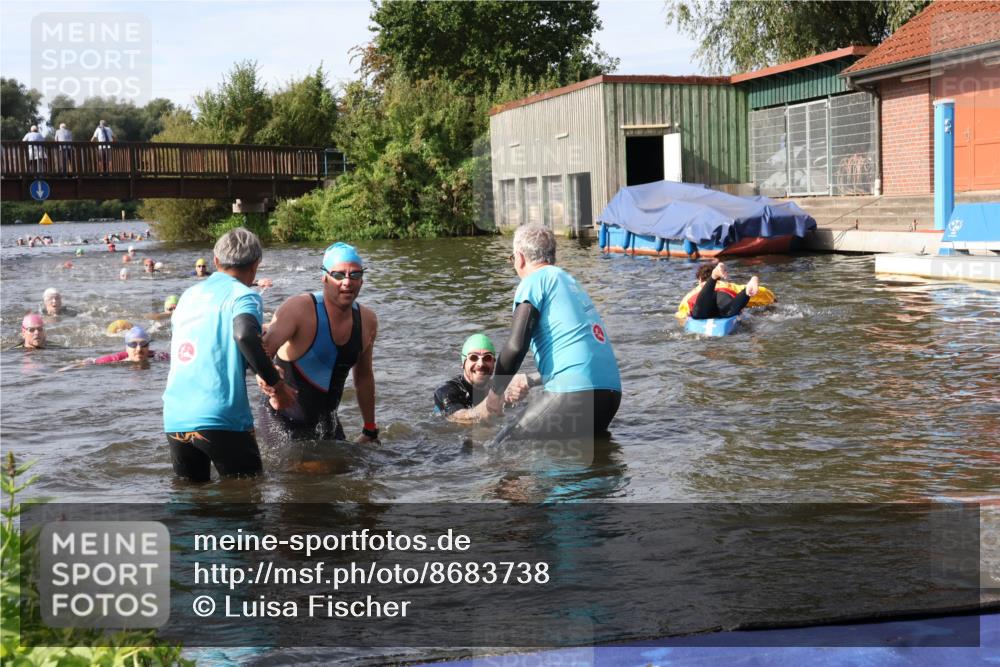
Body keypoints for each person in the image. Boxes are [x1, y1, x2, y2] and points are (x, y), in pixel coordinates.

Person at [162, 227, 294, 482]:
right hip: (222, 417)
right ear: (256, 265)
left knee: (191, 505)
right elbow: (243, 335)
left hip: (176, 417)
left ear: (215, 261)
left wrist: (258, 366)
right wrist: (277, 385)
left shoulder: (188, 296)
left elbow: (211, 351)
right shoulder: (244, 296)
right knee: (247, 499)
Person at [471, 225, 622, 440]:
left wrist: (495, 395)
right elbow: (578, 356)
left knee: (503, 448)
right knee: (579, 464)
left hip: (574, 394)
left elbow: (515, 347)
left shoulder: (533, 281)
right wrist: (531, 379)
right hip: (610, 395)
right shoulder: (571, 284)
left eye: (511, 258)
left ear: (520, 258)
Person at [260, 242, 379, 443]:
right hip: (283, 422)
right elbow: (262, 352)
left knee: (359, 470)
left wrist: (369, 429)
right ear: (324, 278)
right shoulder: (299, 309)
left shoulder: (367, 320)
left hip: (328, 424)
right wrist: (269, 380)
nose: (347, 282)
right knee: (313, 471)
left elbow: (364, 377)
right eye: (339, 275)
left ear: (362, 280)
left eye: (355, 275)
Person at [434, 333, 535, 422]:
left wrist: (518, 390)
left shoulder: (499, 387)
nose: (480, 364)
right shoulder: (446, 392)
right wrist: (499, 397)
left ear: (494, 363)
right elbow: (461, 418)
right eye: (473, 357)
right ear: (463, 363)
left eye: (487, 358)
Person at [676, 262, 765, 321]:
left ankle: (713, 278)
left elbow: (682, 311)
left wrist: (684, 318)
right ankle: (747, 289)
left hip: (703, 300)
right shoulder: (728, 285)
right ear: (720, 277)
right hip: (724, 294)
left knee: (699, 314)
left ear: (700, 279)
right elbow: (764, 293)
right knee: (730, 311)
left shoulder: (694, 291)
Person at [62, 326, 169, 370]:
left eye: (143, 344)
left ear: (149, 345)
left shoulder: (159, 356)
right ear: (126, 347)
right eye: (133, 345)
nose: (138, 349)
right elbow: (91, 362)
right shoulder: (116, 359)